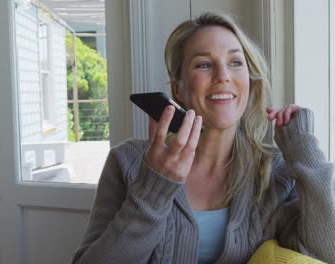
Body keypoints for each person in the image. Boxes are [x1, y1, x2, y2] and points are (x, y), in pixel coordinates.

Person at [71, 11, 335, 264]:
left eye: (235, 62)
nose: (223, 76)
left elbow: (328, 251)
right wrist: (154, 187)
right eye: (204, 65)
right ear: (179, 89)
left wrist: (305, 151)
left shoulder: (275, 174)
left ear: (250, 82)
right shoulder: (128, 162)